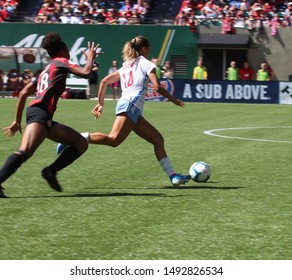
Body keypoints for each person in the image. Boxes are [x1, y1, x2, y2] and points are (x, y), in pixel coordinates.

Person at [57, 35, 191, 187]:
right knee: (114, 140)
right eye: (149, 49)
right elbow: (157, 86)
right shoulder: (146, 64)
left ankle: (173, 176)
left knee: (158, 140)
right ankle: (76, 138)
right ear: (145, 49)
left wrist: (101, 104)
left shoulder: (127, 65)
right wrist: (173, 100)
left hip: (129, 107)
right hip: (131, 106)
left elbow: (104, 81)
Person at [0, 32, 100, 198]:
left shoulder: (48, 68)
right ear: (62, 49)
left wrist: (17, 121)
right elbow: (86, 73)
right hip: (40, 114)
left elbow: (24, 92)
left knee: (81, 143)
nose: (69, 51)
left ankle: (50, 171)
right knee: (25, 151)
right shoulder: (61, 62)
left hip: (43, 116)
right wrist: (90, 57)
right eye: (67, 48)